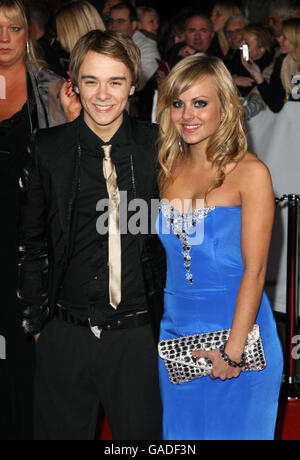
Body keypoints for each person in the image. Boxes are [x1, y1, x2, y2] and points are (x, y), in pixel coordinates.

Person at [18, 29, 164, 441]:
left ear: (133, 84)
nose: (103, 94)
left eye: (116, 81)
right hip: (65, 332)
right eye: (91, 80)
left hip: (137, 335)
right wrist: (37, 324)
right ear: (74, 83)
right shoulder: (47, 147)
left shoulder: (157, 147)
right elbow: (31, 242)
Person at [156, 53, 283, 440]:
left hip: (240, 338)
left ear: (224, 106)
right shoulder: (165, 169)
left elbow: (255, 271)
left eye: (200, 102)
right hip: (177, 338)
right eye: (177, 103)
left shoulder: (251, 172)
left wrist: (232, 351)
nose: (187, 115)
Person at [0, 0, 65, 440]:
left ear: (30, 33)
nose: (3, 37)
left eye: (14, 27)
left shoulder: (52, 90)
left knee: (24, 351)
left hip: (29, 244)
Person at [243, 18, 300, 112]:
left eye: (284, 37)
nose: (279, 39)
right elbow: (275, 105)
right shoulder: (282, 63)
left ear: (296, 39)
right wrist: (259, 77)